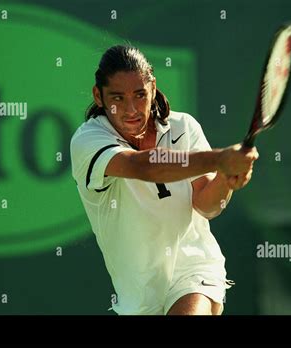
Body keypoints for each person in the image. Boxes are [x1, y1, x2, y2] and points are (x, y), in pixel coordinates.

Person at [70, 45, 259, 315]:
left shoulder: (184, 128)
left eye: (140, 94)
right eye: (118, 98)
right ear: (98, 96)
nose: (132, 109)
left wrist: (225, 179)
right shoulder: (87, 141)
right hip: (137, 300)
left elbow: (207, 206)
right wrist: (219, 159)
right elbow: (144, 166)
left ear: (153, 88)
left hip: (194, 273)